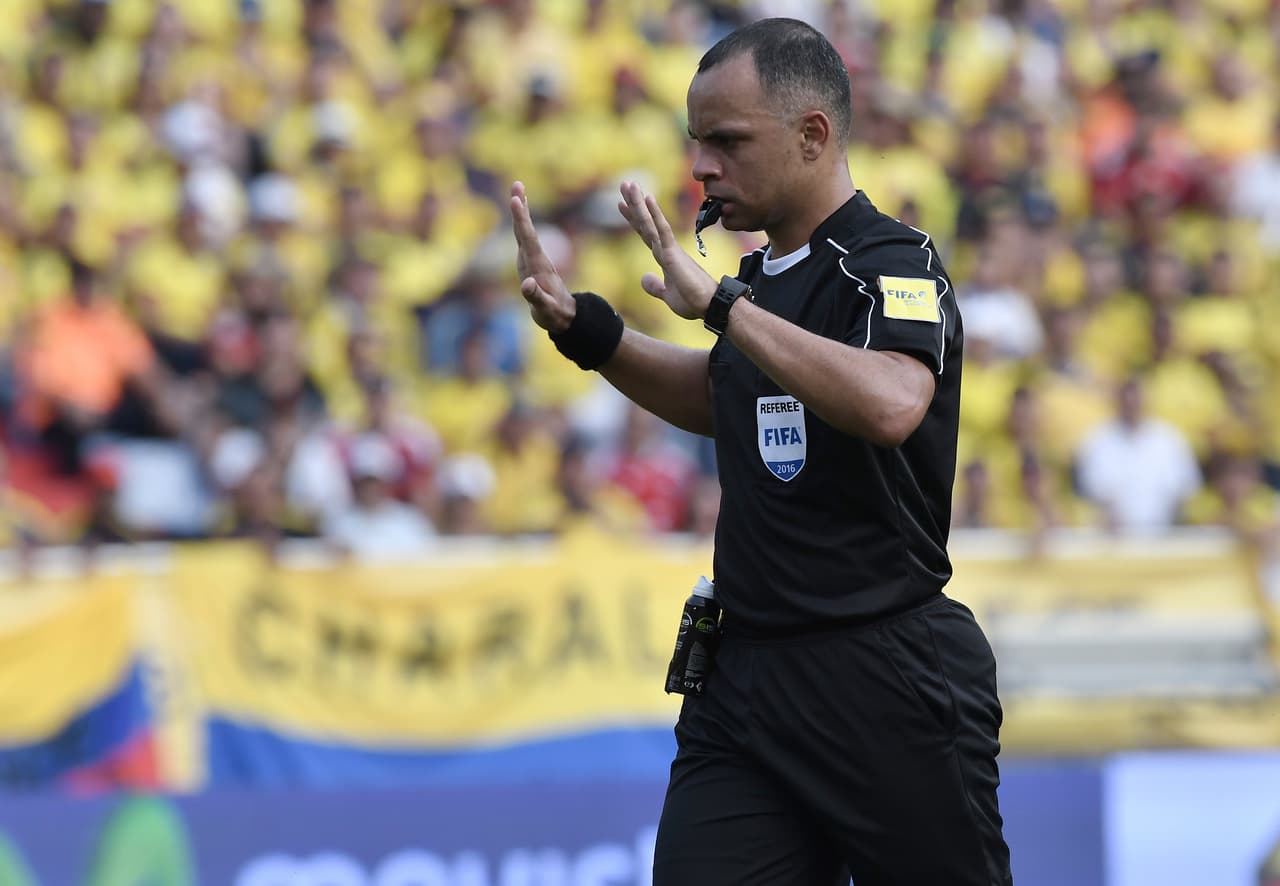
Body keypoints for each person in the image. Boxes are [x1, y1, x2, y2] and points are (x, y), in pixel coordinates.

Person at [509, 17, 1011, 886]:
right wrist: (590, 333)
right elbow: (723, 396)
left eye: (728, 141)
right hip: (744, 681)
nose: (702, 166)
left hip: (882, 673)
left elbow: (894, 401)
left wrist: (723, 311)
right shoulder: (763, 281)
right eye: (696, 141)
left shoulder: (891, 260)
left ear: (813, 135)